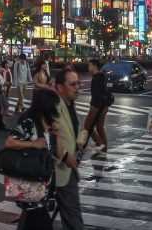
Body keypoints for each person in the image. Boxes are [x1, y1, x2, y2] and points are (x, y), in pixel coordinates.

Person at [5, 89, 63, 230]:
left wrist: (57, 135)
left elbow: (59, 156)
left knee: (29, 224)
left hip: (45, 188)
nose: (57, 108)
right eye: (55, 104)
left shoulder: (50, 125)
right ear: (46, 105)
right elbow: (10, 142)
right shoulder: (29, 123)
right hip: (30, 189)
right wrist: (33, 143)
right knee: (43, 224)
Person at [53, 69, 85, 230]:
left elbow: (72, 132)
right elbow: (48, 139)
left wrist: (79, 144)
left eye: (78, 83)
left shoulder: (70, 105)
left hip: (67, 171)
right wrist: (65, 157)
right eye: (72, 84)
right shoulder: (53, 106)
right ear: (59, 87)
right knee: (34, 216)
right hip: (54, 171)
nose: (77, 87)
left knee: (72, 217)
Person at [86, 59, 112, 155]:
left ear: (94, 66)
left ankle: (99, 144)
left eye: (89, 66)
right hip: (104, 106)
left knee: (87, 125)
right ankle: (104, 149)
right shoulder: (101, 77)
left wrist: (93, 107)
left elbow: (96, 95)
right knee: (100, 127)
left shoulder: (96, 78)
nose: (88, 67)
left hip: (97, 106)